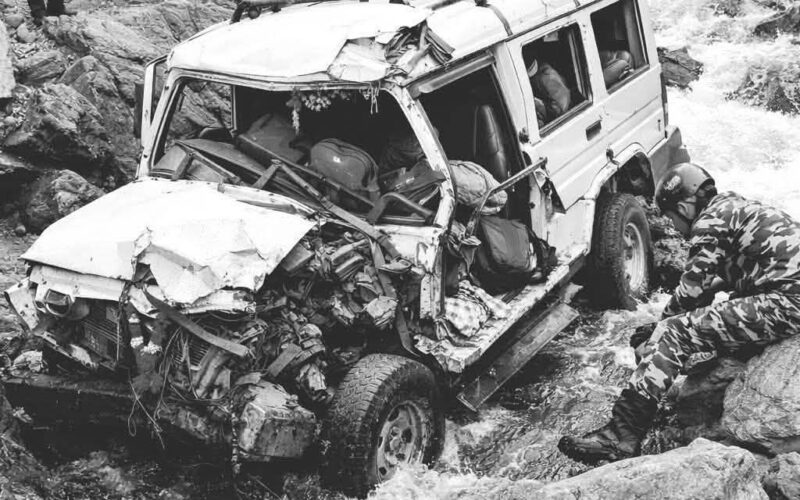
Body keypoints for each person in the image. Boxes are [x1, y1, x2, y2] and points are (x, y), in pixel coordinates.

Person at [558, 162, 800, 464]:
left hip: (788, 301)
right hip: (786, 294)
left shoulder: (710, 221)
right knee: (704, 318)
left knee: (675, 333)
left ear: (685, 206)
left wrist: (658, 329)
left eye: (671, 218)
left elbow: (691, 291)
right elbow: (715, 282)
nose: (674, 228)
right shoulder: (734, 208)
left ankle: (620, 436)